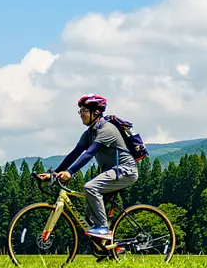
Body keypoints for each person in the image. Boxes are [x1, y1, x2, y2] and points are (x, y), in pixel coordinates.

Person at [36, 94, 139, 239]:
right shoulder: (89, 133)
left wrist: (70, 172)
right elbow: (74, 154)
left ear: (96, 112)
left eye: (85, 110)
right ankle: (110, 248)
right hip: (112, 172)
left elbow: (89, 154)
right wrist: (53, 174)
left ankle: (103, 229)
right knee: (90, 211)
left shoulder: (107, 130)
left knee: (91, 187)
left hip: (125, 170)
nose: (81, 114)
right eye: (81, 111)